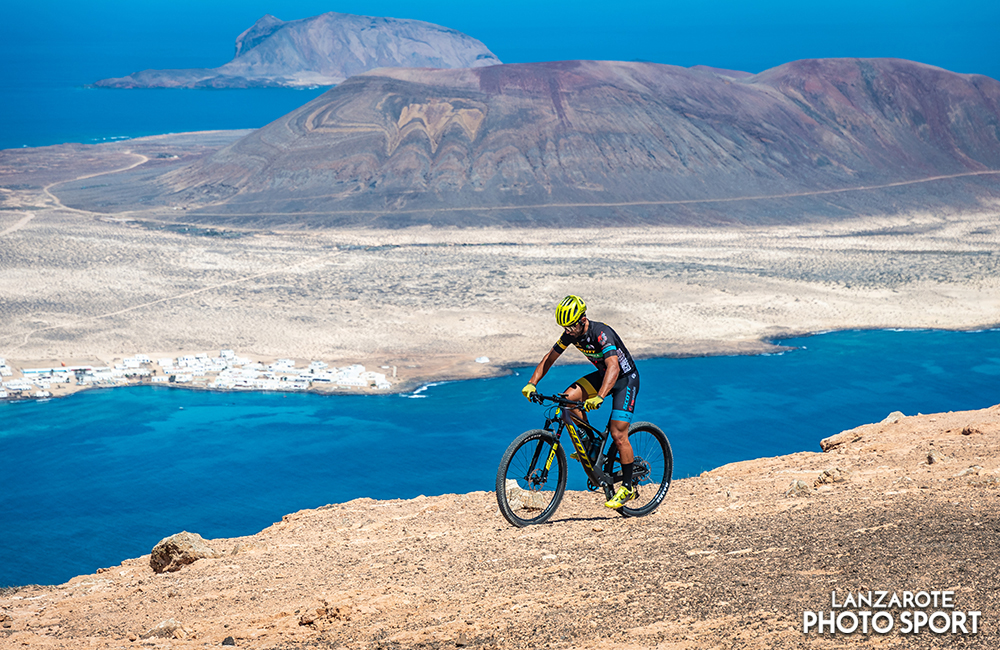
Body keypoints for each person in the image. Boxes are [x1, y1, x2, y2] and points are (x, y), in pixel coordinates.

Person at [521, 295, 640, 509]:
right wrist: (532, 383)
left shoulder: (601, 333)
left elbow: (613, 367)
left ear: (583, 319)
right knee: (566, 401)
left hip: (624, 380)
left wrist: (600, 397)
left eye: (571, 326)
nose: (567, 331)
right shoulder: (570, 333)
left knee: (618, 434)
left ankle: (628, 487)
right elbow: (549, 358)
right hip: (603, 375)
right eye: (564, 327)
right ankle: (592, 444)